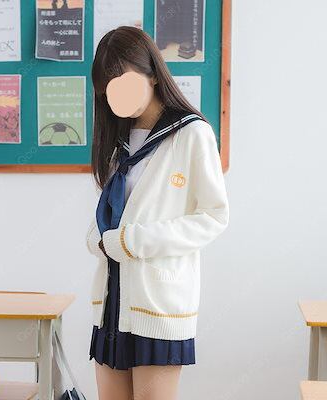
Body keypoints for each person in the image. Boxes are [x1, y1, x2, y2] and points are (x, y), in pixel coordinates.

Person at [86, 26, 229, 400]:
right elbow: (112, 212)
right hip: (112, 302)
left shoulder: (192, 134)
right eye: (108, 88)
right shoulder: (119, 141)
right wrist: (96, 239)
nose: (116, 95)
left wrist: (132, 242)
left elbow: (213, 216)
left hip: (157, 304)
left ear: (151, 73)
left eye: (124, 81)